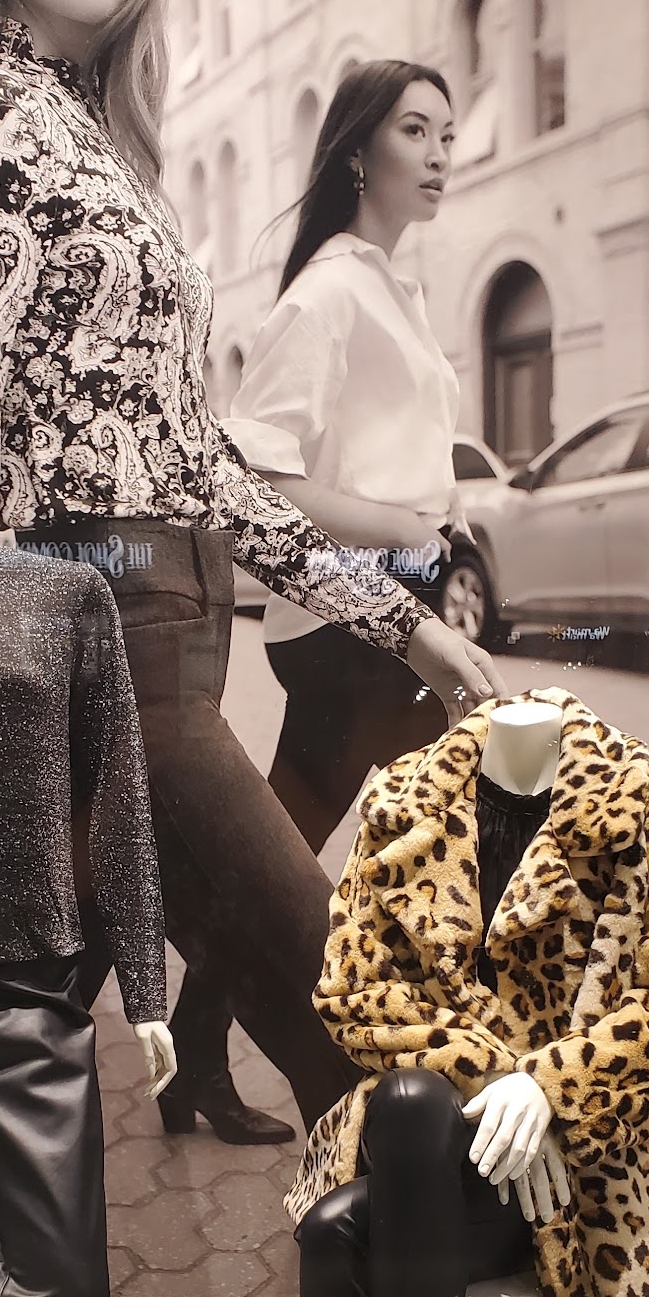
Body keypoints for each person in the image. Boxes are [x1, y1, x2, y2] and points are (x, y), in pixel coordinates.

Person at [0, 0, 500, 1151]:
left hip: (172, 619)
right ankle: (407, 1257)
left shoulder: (95, 136)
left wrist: (402, 621)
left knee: (34, 1038)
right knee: (338, 1005)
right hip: (99, 635)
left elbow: (204, 463)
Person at [172, 61, 485, 1098]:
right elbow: (263, 480)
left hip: (389, 610)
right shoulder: (329, 295)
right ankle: (383, 1071)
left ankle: (204, 1055)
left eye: (447, 133)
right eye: (414, 130)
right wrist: (407, 527)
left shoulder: (390, 287)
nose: (439, 153)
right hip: (348, 625)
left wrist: (437, 531)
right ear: (357, 151)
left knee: (342, 846)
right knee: (345, 851)